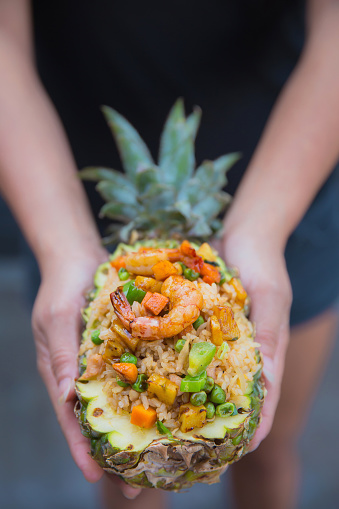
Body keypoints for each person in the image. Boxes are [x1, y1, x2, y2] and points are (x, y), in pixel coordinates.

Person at [0, 1, 338, 508]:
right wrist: (62, 243)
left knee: (270, 447)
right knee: (131, 491)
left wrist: (262, 230)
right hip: (60, 163)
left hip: (292, 151)